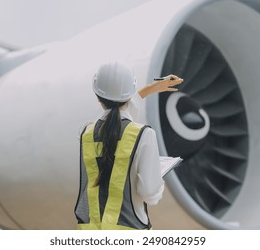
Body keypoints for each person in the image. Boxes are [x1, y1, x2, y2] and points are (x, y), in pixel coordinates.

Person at [74, 62, 183, 230]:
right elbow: (150, 194)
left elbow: (116, 120)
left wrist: (153, 88)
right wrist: (156, 176)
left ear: (97, 94)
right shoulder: (144, 135)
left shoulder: (85, 133)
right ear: (129, 94)